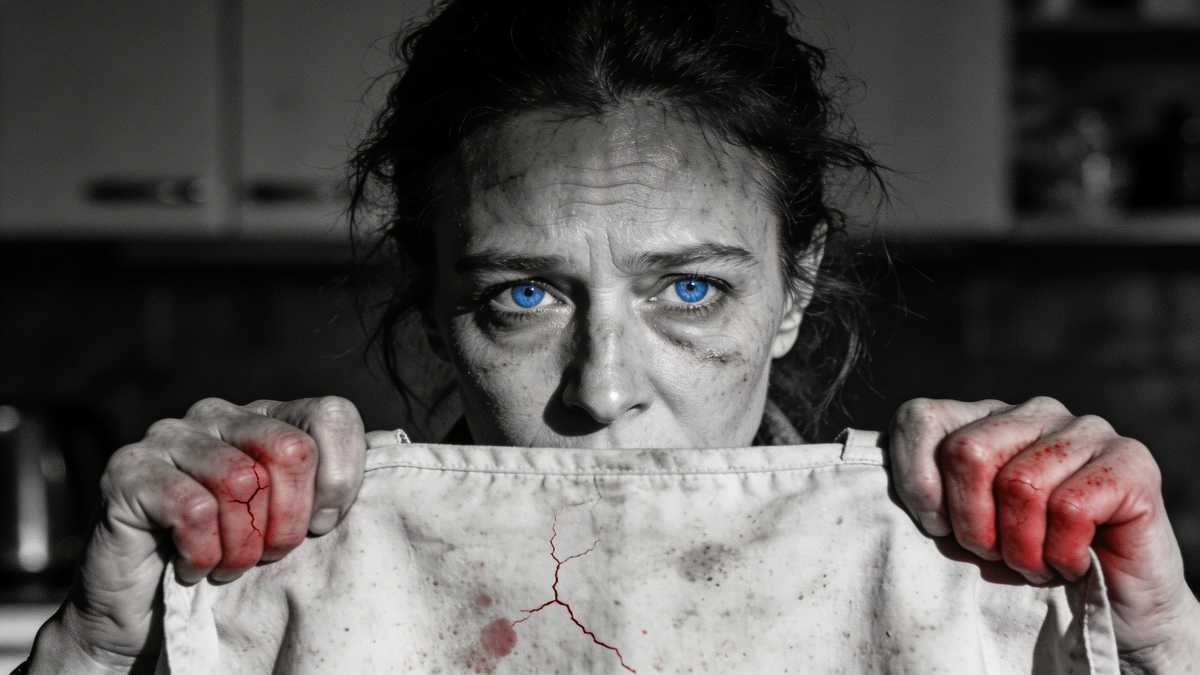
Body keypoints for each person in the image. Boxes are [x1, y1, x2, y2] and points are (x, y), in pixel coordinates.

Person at [21, 0, 1200, 672]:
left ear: (794, 292)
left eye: (688, 289)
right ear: (434, 304)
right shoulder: (276, 594)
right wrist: (96, 644)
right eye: (524, 297)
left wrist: (1156, 641)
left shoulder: (959, 587)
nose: (603, 389)